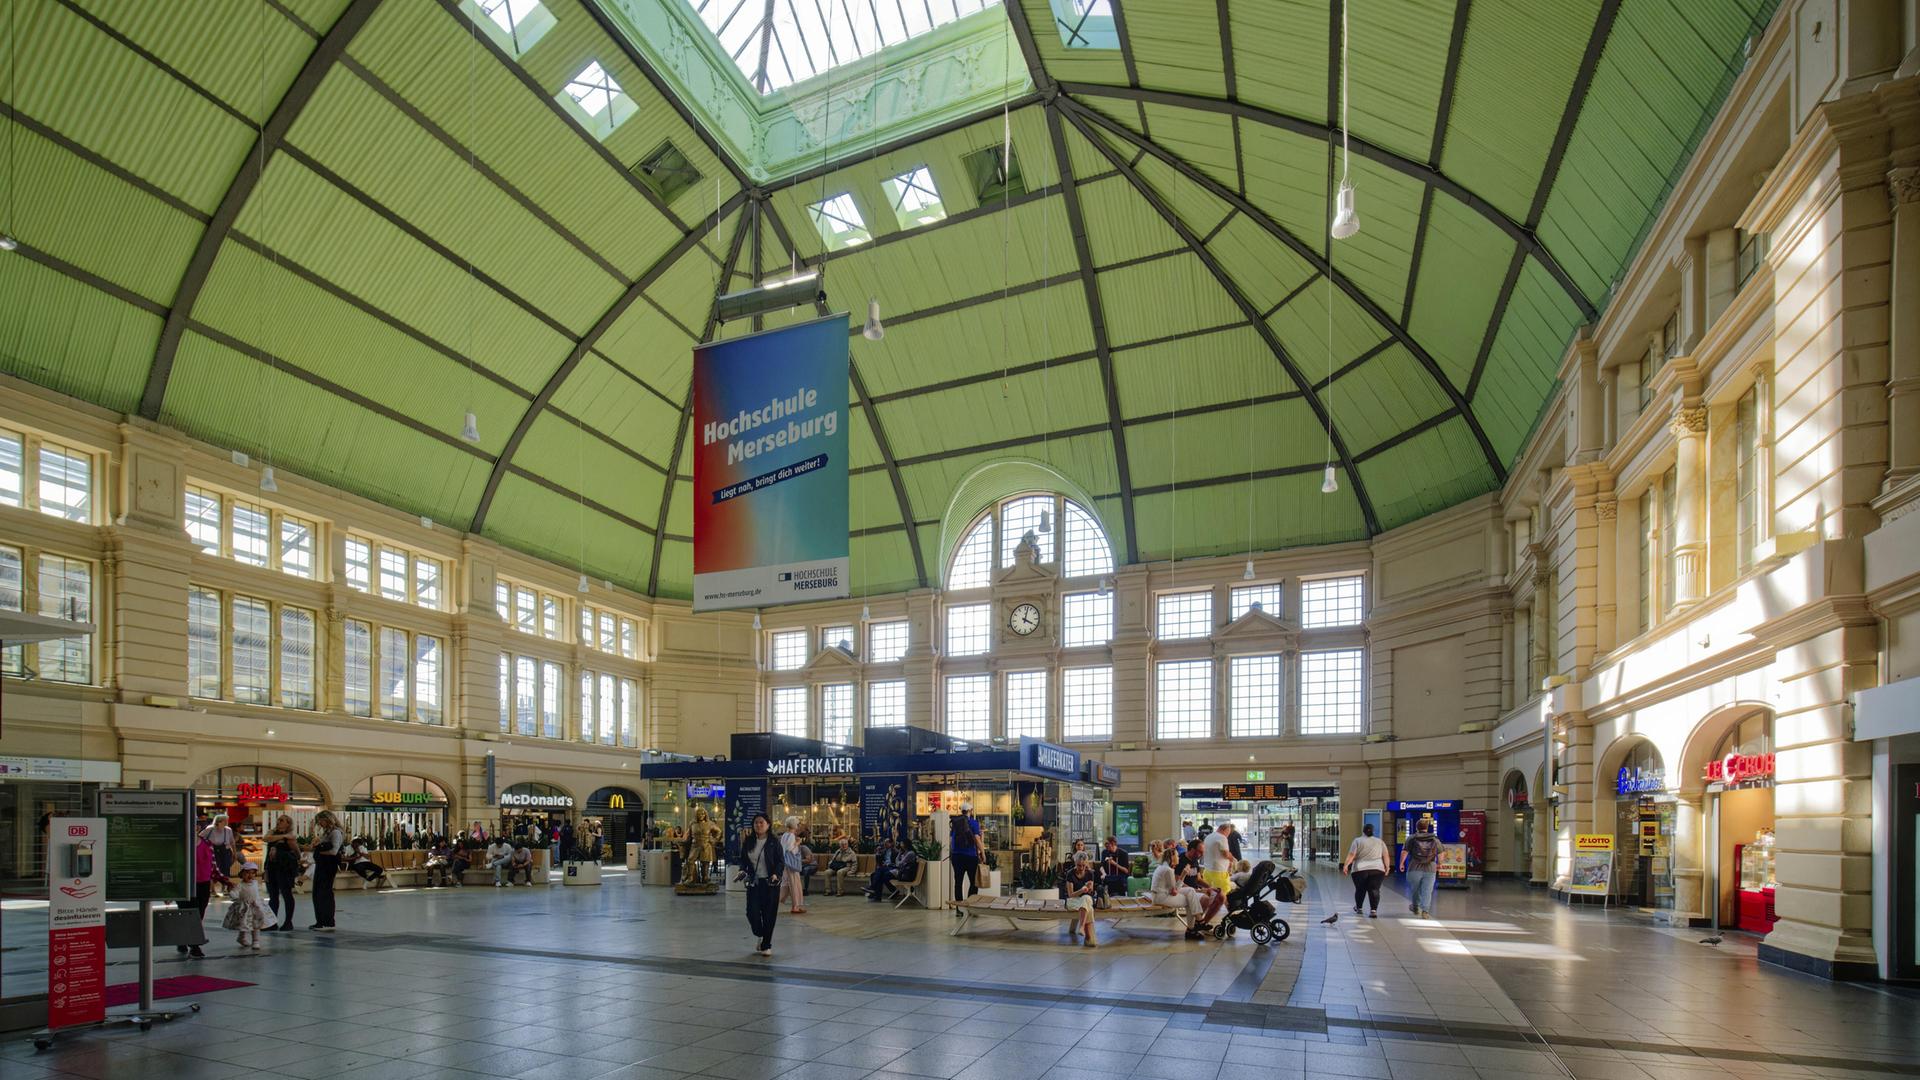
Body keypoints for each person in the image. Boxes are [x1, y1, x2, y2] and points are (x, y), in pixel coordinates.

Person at [735, 813, 784, 956]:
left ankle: (766, 944)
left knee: (769, 915)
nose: (758, 825)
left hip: (770, 883)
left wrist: (776, 874)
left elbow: (781, 861)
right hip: (754, 883)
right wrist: (742, 871)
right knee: (752, 913)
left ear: (768, 825)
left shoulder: (774, 842)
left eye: (761, 822)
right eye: (756, 823)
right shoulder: (748, 841)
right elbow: (743, 860)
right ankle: (760, 934)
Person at [176, 832, 224, 958]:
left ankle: (183, 939)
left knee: (199, 913)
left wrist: (224, 880)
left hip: (203, 884)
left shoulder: (207, 843)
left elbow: (213, 865)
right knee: (190, 914)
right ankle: (194, 946)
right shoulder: (180, 843)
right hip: (185, 884)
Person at [1150, 848, 1209, 940]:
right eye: (1177, 855)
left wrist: (1182, 876)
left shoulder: (1164, 867)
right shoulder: (1168, 870)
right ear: (1172, 857)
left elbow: (1173, 889)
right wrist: (1184, 874)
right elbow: (1175, 891)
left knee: (1190, 891)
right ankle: (1192, 929)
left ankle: (1198, 921)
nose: (1178, 857)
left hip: (1161, 893)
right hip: (1161, 897)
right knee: (1190, 899)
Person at [222, 862, 275, 950]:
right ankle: (241, 938)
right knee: (244, 924)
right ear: (241, 874)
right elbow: (235, 895)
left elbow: (257, 893)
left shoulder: (255, 883)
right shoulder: (240, 885)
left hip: (256, 906)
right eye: (247, 873)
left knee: (256, 923)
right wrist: (231, 892)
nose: (250, 875)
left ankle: (256, 941)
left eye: (252, 873)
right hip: (244, 908)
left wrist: (260, 901)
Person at [1342, 823, 1391, 918]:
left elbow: (1352, 855)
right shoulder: (1380, 841)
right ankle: (1373, 911)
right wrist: (1387, 867)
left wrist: (1346, 865)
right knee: (1374, 889)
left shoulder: (1357, 841)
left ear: (1363, 831)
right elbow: (1386, 855)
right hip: (1377, 869)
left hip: (1360, 869)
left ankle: (1359, 908)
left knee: (1360, 889)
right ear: (1373, 831)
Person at [308, 811, 344, 932]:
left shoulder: (335, 832)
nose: (320, 824)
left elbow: (334, 851)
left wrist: (319, 851)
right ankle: (320, 921)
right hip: (322, 865)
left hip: (328, 866)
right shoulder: (326, 832)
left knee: (324, 893)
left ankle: (327, 922)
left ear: (328, 819)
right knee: (317, 893)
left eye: (321, 821)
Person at [263, 814, 301, 931]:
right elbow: (266, 838)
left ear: (288, 823)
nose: (278, 822)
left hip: (284, 869)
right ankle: (272, 923)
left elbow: (297, 853)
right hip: (271, 867)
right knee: (273, 896)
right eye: (278, 820)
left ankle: (288, 922)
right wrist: (283, 836)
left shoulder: (290, 838)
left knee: (286, 894)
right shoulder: (274, 833)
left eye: (282, 820)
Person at [1399, 820, 1442, 918]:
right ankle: (1425, 911)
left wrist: (1401, 863)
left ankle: (1415, 907)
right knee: (1427, 890)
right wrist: (1439, 864)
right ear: (1427, 827)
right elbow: (1441, 853)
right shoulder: (1434, 839)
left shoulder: (1411, 838)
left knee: (1415, 889)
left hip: (1414, 867)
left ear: (1416, 827)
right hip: (1430, 868)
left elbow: (1404, 852)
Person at [1177, 852, 1226, 931]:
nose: (1201, 854)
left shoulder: (1195, 861)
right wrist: (1199, 891)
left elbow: (1198, 879)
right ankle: (1197, 924)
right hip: (1186, 891)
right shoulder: (1180, 860)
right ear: (1192, 850)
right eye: (1199, 851)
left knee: (1221, 896)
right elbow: (1178, 883)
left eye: (1202, 852)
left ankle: (1203, 924)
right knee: (1205, 899)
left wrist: (1210, 887)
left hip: (1195, 889)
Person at [1062, 854, 1100, 947]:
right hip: (1073, 900)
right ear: (1075, 863)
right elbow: (1071, 895)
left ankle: (1082, 927)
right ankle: (1089, 938)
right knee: (1089, 908)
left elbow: (1090, 893)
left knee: (1086, 898)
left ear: (1086, 863)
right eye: (1079, 865)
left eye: (1084, 865)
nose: (1082, 867)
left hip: (1086, 899)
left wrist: (1089, 889)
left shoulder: (1090, 873)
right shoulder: (1070, 873)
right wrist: (1082, 890)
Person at [950, 803, 982, 909]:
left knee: (958, 882)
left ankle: (958, 908)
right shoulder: (973, 822)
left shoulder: (955, 823)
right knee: (973, 882)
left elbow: (951, 840)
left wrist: (952, 852)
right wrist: (983, 852)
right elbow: (977, 839)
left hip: (956, 856)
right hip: (970, 856)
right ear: (970, 810)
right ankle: (970, 906)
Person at [778, 818, 809, 915]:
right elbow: (790, 848)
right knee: (795, 884)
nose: (798, 826)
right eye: (798, 824)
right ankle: (795, 906)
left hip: (785, 863)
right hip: (791, 864)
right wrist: (798, 843)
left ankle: (774, 902)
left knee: (786, 884)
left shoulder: (784, 835)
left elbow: (783, 848)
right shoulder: (791, 835)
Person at [202, 814, 237, 894]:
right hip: (213, 851)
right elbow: (201, 837)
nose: (226, 823)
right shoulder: (210, 829)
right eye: (225, 821)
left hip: (225, 851)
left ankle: (224, 888)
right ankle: (212, 890)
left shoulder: (228, 830)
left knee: (226, 869)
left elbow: (232, 842)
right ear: (218, 822)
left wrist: (234, 853)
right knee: (213, 870)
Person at [1200, 821, 1234, 896]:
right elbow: (1225, 854)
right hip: (1219, 871)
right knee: (1222, 895)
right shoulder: (1222, 837)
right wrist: (1231, 857)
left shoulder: (1208, 837)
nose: (1228, 835)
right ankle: (1221, 907)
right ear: (1224, 830)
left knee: (1208, 893)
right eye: (1228, 832)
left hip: (1207, 870)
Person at [1099, 837, 1131, 901]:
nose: (1106, 846)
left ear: (1113, 844)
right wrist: (1103, 873)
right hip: (1108, 876)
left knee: (1120, 881)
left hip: (1120, 876)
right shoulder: (1104, 852)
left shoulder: (1123, 853)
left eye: (1107, 844)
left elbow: (1126, 871)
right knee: (1104, 880)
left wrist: (1114, 864)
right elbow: (1101, 866)